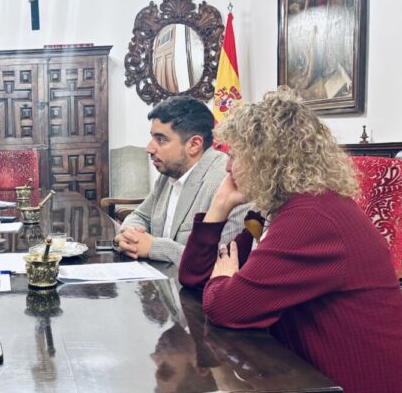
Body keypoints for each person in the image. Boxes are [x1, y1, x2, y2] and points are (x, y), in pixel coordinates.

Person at [179, 87, 402, 393]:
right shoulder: (277, 212)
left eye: (235, 155)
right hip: (305, 372)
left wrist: (225, 279)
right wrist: (219, 206)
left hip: (354, 381)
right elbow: (194, 278)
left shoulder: (312, 217)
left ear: (268, 159)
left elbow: (226, 307)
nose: (227, 167)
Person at [113, 96, 247, 265]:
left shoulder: (227, 182)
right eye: (152, 137)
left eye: (161, 139)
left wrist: (155, 247)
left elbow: (223, 259)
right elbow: (141, 216)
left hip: (196, 291)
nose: (149, 148)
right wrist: (129, 235)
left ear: (194, 144)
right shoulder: (168, 173)